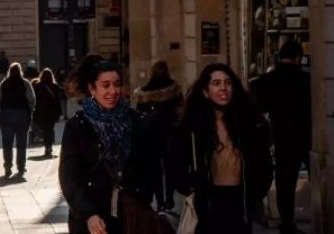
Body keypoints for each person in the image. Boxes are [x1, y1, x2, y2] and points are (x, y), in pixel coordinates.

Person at [171, 63, 273, 234]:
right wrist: (191, 187)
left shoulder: (249, 125)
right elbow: (176, 162)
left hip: (240, 203)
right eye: (216, 83)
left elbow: (264, 163)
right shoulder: (193, 128)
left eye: (228, 82)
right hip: (209, 205)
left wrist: (256, 193)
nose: (223, 88)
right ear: (205, 91)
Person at [59, 60, 159, 234]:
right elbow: (69, 177)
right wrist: (88, 214)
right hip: (92, 219)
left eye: (117, 84)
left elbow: (151, 167)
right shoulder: (78, 126)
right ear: (92, 89)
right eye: (106, 85)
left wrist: (141, 198)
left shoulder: (136, 121)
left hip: (131, 217)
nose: (112, 91)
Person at [251, 41, 311, 234]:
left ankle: (287, 223)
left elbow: (258, 110)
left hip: (283, 137)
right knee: (319, 178)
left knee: (285, 182)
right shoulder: (307, 80)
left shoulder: (264, 82)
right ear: (298, 57)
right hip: (308, 136)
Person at [131, 61, 183, 212]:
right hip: (169, 134)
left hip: (150, 136)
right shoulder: (174, 89)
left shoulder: (144, 93)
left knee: (155, 170)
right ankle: (169, 200)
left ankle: (159, 201)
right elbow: (180, 111)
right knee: (170, 169)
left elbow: (139, 116)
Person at [0, 62, 36, 178]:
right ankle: (21, 167)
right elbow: (32, 98)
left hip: (6, 114)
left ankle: (8, 167)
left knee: (7, 143)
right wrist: (31, 109)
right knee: (21, 143)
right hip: (22, 114)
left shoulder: (4, 83)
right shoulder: (25, 83)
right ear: (20, 71)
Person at [33, 68, 62, 158]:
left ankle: (47, 146)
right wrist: (59, 112)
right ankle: (49, 146)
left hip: (42, 112)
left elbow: (35, 100)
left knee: (45, 129)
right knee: (50, 128)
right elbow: (57, 100)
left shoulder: (37, 86)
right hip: (52, 112)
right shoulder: (54, 86)